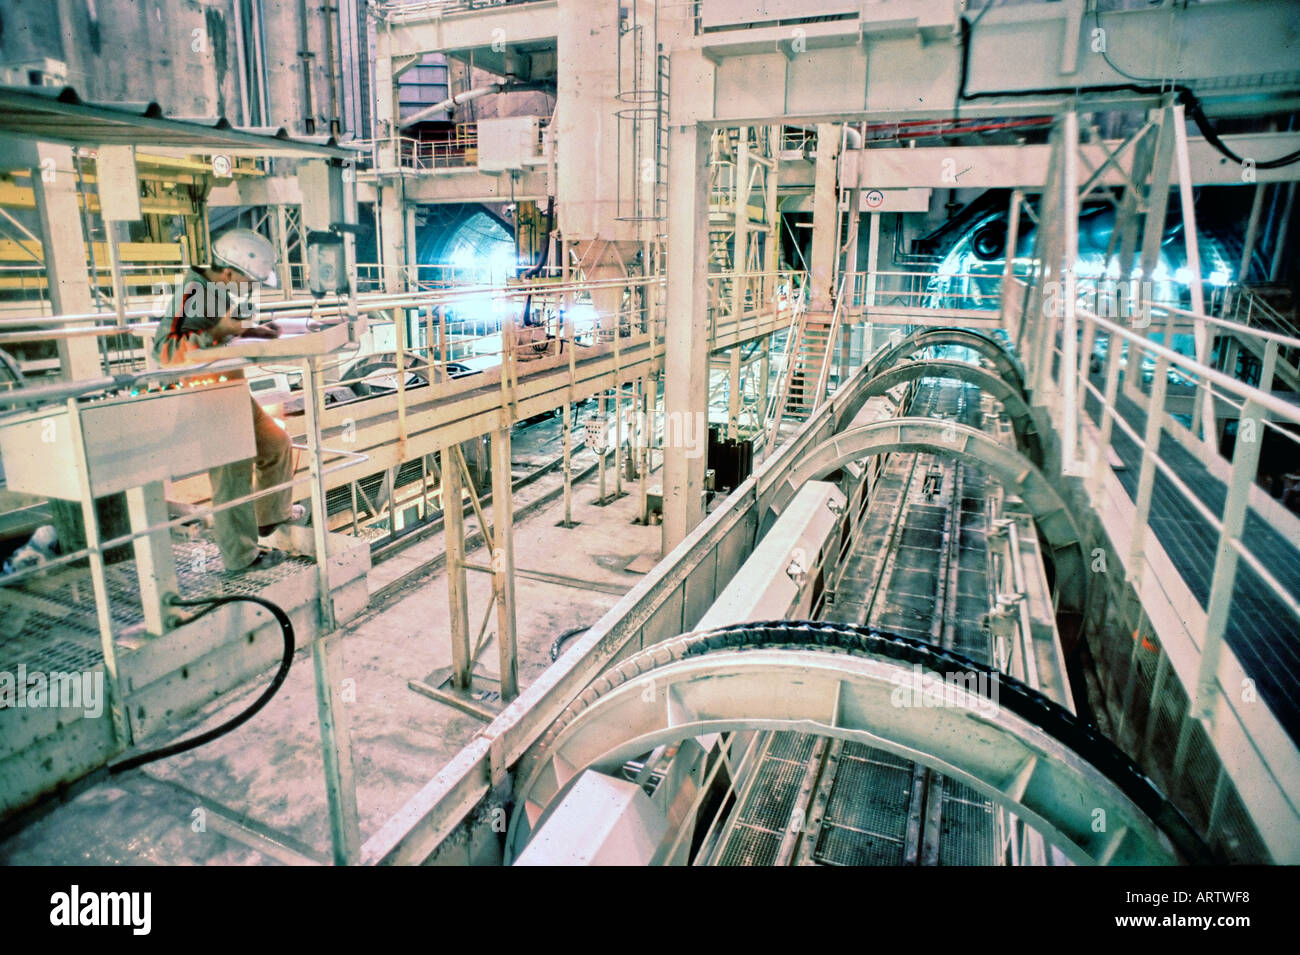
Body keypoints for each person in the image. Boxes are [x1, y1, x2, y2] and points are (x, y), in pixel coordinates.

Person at [153, 229, 302, 573]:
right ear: (231, 272)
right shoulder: (194, 292)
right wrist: (217, 334)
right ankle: (241, 557)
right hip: (205, 393)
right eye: (248, 280)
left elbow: (217, 328)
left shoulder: (215, 291)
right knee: (232, 473)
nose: (249, 287)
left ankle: (269, 519)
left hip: (228, 385)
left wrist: (248, 331)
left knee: (276, 443)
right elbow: (164, 351)